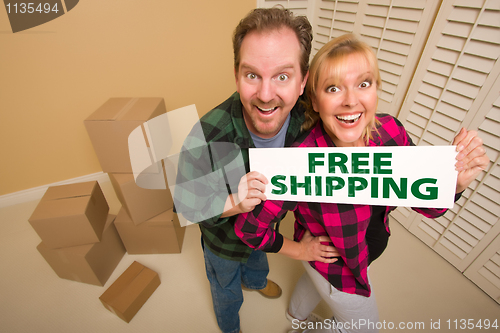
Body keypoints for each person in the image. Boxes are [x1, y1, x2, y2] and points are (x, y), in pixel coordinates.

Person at [234, 34, 489, 333]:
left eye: (363, 84)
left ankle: (295, 319)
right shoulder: (298, 160)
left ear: (376, 90)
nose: (351, 100)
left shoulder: (391, 132)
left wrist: (454, 183)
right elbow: (248, 229)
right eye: (333, 88)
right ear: (315, 100)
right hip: (337, 268)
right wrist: (299, 251)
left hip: (362, 252)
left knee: (313, 281)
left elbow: (429, 206)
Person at [174, 8, 337, 333]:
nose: (265, 95)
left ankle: (257, 281)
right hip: (223, 243)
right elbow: (185, 206)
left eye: (282, 76)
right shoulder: (207, 134)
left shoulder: (311, 119)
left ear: (303, 81)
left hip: (266, 232)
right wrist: (236, 201)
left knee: (257, 262)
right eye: (253, 75)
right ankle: (229, 325)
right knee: (226, 287)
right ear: (237, 76)